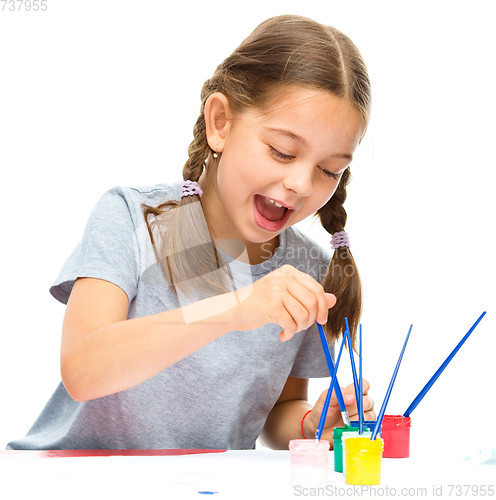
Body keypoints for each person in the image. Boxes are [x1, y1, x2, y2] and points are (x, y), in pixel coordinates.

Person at [6, 14, 375, 451]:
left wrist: (313, 422)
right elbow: (83, 369)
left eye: (329, 170)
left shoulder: (305, 271)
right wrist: (234, 308)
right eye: (282, 151)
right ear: (221, 122)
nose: (301, 184)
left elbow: (278, 410)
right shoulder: (131, 218)